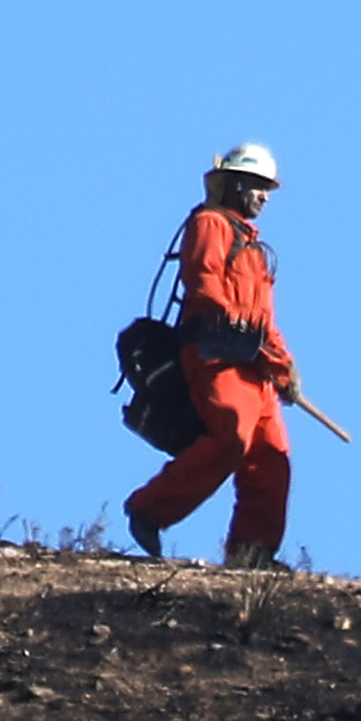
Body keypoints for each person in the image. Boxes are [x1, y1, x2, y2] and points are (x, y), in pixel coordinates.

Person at [125, 142, 300, 567]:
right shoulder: (209, 224)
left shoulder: (256, 250)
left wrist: (283, 365)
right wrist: (241, 334)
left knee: (271, 460)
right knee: (232, 437)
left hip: (255, 369)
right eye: (259, 187)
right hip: (216, 355)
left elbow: (264, 319)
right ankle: (149, 510)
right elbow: (203, 281)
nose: (265, 197)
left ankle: (251, 553)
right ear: (236, 184)